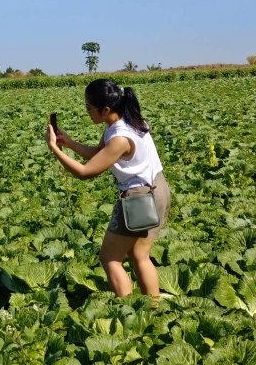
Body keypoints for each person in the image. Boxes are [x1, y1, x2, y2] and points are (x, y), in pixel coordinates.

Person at [45, 78, 170, 298]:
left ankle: (127, 308)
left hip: (139, 197)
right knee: (140, 255)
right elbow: (99, 156)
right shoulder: (129, 121)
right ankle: (153, 309)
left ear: (105, 109)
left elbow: (85, 173)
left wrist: (54, 149)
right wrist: (71, 143)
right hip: (158, 189)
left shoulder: (120, 138)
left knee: (110, 258)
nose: (87, 113)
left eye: (89, 108)